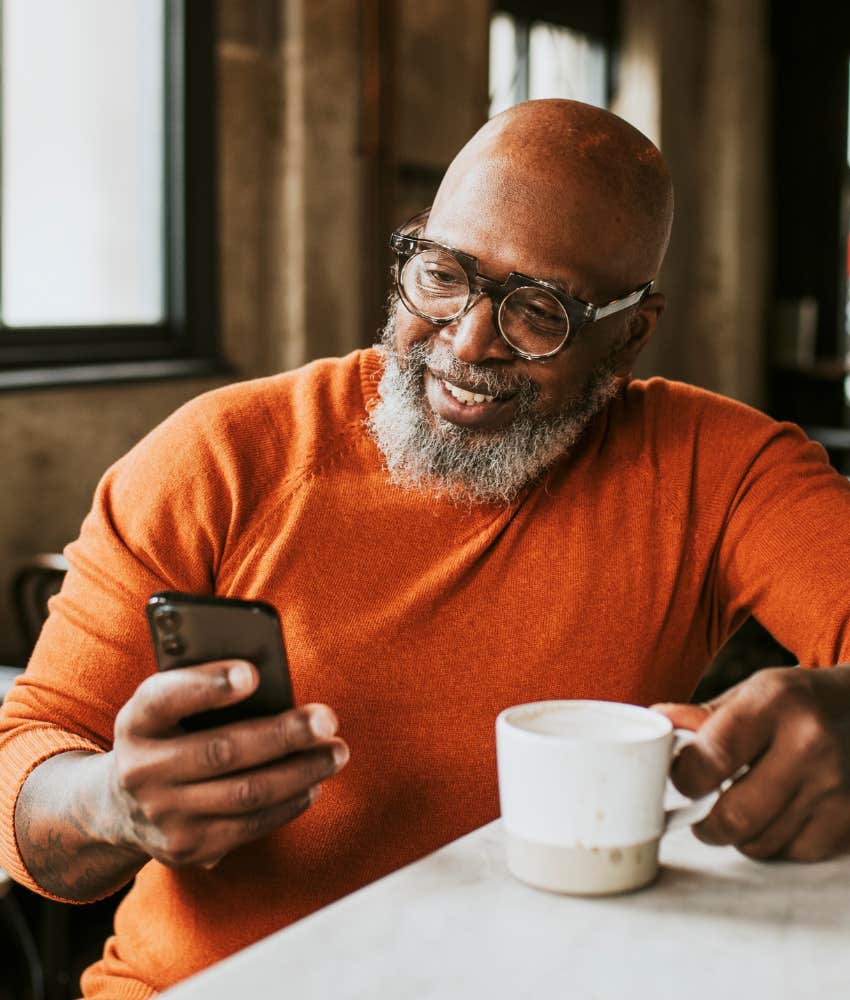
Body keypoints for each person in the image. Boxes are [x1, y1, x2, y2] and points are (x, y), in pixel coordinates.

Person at [2, 98, 850, 998]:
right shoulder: (221, 456)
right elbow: (26, 785)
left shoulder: (718, 470)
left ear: (630, 333)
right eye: (444, 274)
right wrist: (113, 805)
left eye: (540, 312)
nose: (468, 341)